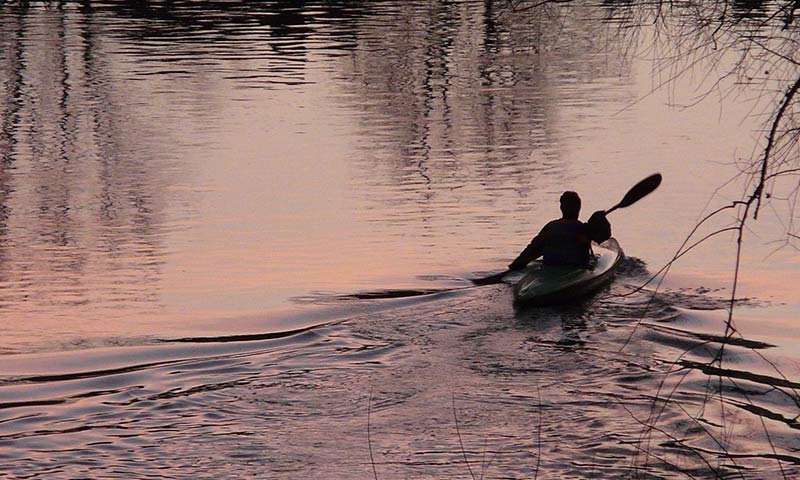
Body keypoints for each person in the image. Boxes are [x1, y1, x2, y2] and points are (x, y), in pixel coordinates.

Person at [508, 191, 611, 270]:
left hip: (550, 268)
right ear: (579, 208)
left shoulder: (550, 228)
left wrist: (517, 264)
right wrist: (599, 219)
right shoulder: (584, 230)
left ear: (561, 207)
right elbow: (604, 236)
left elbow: (533, 250)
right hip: (576, 269)